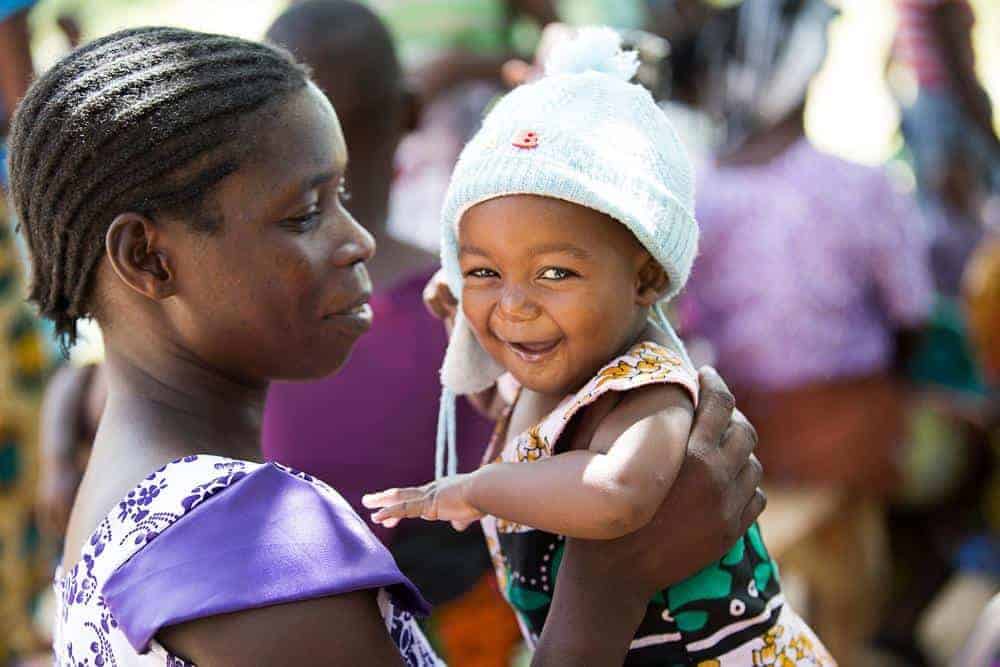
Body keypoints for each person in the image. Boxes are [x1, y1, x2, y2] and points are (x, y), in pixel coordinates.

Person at [7, 26, 766, 666]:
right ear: (147, 258)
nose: (359, 239)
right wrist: (613, 577)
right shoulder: (261, 548)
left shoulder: (116, 485)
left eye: (344, 196)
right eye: (306, 213)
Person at [365, 29, 831, 665]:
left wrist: (476, 489)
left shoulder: (647, 387)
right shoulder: (549, 376)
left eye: (554, 273)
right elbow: (527, 430)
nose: (514, 305)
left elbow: (615, 493)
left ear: (643, 278)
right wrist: (462, 337)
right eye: (484, 272)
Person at [263, 4, 518, 662]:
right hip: (454, 628)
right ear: (409, 113)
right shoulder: (474, 297)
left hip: (283, 628)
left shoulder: (241, 315)